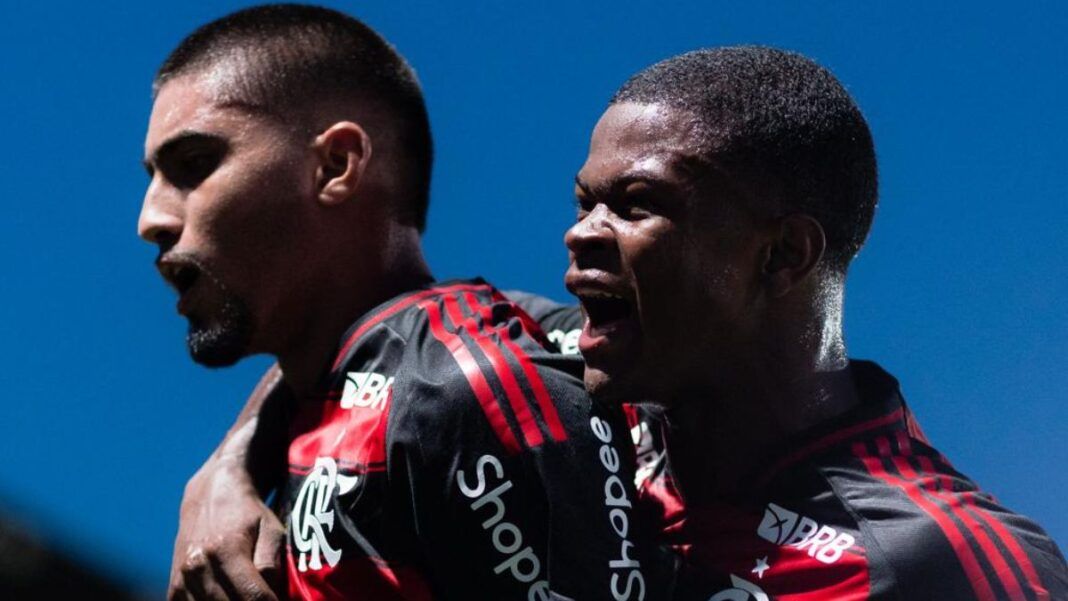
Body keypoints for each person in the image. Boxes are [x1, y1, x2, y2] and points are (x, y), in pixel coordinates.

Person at [172, 42, 1068, 600]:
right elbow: (377, 335)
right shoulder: (560, 360)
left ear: (784, 255)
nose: (578, 232)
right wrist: (226, 470)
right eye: (581, 201)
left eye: (635, 204)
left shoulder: (943, 562)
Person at [140, 5, 670, 601]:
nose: (150, 219)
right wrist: (225, 468)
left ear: (335, 165)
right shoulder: (341, 391)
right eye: (152, 177)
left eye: (193, 166)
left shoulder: (464, 389)